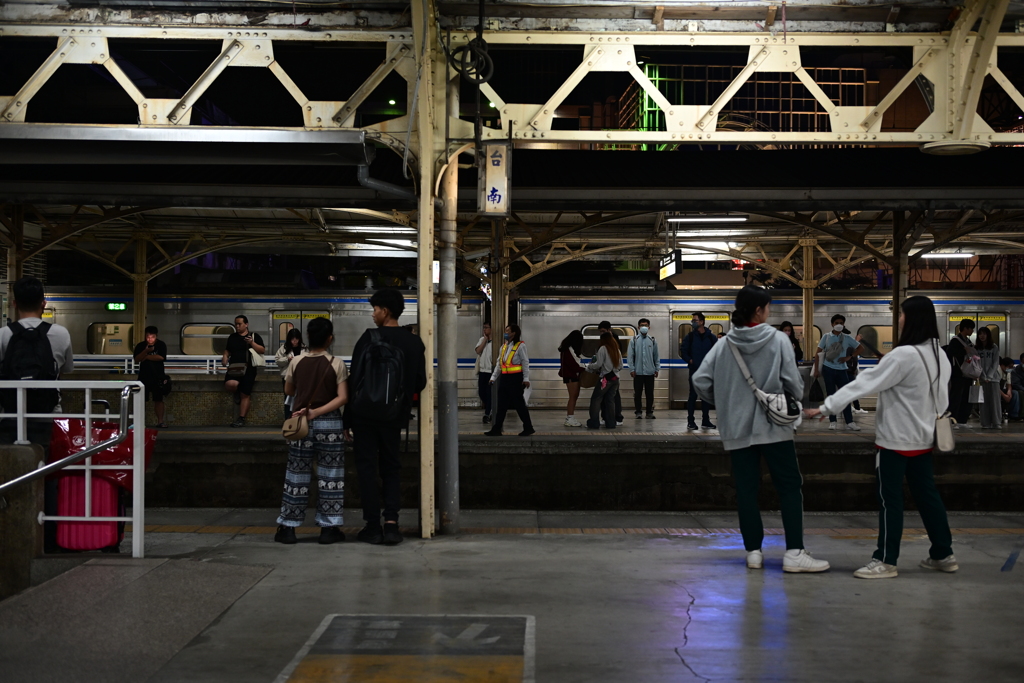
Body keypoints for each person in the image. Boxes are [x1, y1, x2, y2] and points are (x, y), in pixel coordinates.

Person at [805, 295, 956, 579]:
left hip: (895, 442)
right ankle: (943, 553)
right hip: (925, 440)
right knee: (928, 498)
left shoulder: (903, 355)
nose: (898, 319)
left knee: (890, 500)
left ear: (911, 319)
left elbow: (864, 382)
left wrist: (827, 407)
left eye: (901, 315)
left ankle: (885, 560)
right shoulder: (939, 353)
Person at [691, 285, 829, 573]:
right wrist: (787, 401)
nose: (770, 311)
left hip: (737, 429)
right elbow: (794, 383)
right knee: (790, 487)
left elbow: (701, 381)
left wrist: (728, 402)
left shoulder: (724, 344)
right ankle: (794, 553)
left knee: (746, 491)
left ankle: (753, 552)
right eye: (767, 307)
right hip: (775, 428)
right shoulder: (779, 340)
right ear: (758, 310)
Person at [345, 289, 427, 545]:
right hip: (394, 417)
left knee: (367, 469)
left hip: (364, 416)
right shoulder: (414, 342)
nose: (373, 314)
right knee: (392, 468)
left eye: (375, 309)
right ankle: (391, 525)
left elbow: (353, 381)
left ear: (385, 311)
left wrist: (347, 420)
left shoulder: (369, 339)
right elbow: (421, 383)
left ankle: (372, 526)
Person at [274, 317, 348, 545]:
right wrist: (319, 412)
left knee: (296, 476)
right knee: (330, 476)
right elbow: (343, 397)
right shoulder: (336, 363)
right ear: (329, 338)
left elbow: (289, 389)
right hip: (331, 427)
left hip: (301, 425)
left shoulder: (296, 361)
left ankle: (288, 528)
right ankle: (329, 528)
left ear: (307, 338)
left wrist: (308, 408)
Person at [0, 276, 74, 445]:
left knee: (11, 468)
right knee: (47, 465)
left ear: (14, 303)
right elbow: (68, 368)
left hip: (10, 414)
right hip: (48, 415)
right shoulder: (61, 333)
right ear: (44, 303)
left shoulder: (3, 334)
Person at [812, 314, 862, 431]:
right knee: (831, 395)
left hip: (842, 370)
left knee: (845, 396)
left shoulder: (847, 338)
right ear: (832, 324)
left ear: (844, 324)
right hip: (828, 368)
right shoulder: (826, 337)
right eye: (836, 323)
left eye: (841, 323)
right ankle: (832, 421)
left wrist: (849, 357)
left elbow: (861, 348)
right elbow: (817, 353)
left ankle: (849, 421)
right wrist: (816, 370)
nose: (839, 325)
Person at [485, 324, 535, 437]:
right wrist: (493, 377)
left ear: (514, 333)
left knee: (519, 404)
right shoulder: (503, 347)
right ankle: (497, 428)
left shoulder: (520, 346)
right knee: (501, 405)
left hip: (516, 379)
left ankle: (528, 427)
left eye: (508, 331)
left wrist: (526, 378)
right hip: (505, 378)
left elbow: (525, 362)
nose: (505, 333)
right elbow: (499, 364)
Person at [222, 315, 265, 428]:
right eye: (236, 324)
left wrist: (251, 343)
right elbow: (228, 350)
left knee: (245, 394)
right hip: (234, 367)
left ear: (246, 324)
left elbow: (262, 350)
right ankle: (236, 391)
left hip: (249, 368)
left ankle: (241, 418)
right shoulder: (232, 337)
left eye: (240, 324)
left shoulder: (254, 336)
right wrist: (225, 356)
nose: (237, 326)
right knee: (230, 384)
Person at [679, 312, 717, 431]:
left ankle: (705, 420)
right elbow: (683, 351)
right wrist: (689, 360)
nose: (693, 322)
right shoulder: (689, 337)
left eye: (695, 320)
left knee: (706, 397)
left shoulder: (711, 337)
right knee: (693, 396)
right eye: (693, 321)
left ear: (702, 322)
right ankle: (691, 421)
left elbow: (717, 351)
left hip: (707, 372)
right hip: (694, 370)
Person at [133, 325, 168, 428]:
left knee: (158, 399)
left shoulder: (161, 345)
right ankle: (139, 421)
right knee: (141, 399)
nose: (150, 339)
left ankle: (160, 421)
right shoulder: (140, 346)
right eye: (148, 337)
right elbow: (137, 359)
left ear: (156, 336)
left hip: (158, 376)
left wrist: (147, 356)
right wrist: (145, 351)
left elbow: (161, 357)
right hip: (144, 376)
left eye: (152, 337)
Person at [586, 332, 623, 429]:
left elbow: (598, 365)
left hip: (605, 379)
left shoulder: (603, 348)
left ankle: (594, 422)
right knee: (610, 401)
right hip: (615, 379)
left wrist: (589, 366)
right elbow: (621, 366)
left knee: (596, 399)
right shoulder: (617, 350)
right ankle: (611, 423)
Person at [627, 318, 660, 419]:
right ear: (638, 327)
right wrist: (632, 369)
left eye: (645, 325)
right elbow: (630, 355)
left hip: (650, 372)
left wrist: (657, 368)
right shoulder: (634, 340)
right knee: (637, 393)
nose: (644, 327)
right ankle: (638, 412)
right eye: (642, 325)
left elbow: (656, 356)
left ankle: (649, 412)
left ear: (649, 327)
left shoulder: (653, 340)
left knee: (649, 393)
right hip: (638, 372)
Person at [947, 318, 977, 426]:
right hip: (958, 374)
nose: (972, 331)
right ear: (965, 328)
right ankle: (953, 418)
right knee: (956, 397)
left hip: (967, 374)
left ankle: (962, 419)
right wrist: (964, 351)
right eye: (971, 329)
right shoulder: (955, 340)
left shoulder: (968, 341)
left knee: (965, 397)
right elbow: (950, 353)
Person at [597, 321, 624, 424]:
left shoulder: (614, 340)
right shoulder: (604, 341)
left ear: (609, 330)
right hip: (607, 373)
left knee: (614, 397)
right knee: (606, 397)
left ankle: (617, 417)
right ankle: (605, 417)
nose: (602, 333)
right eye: (600, 332)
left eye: (603, 331)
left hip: (611, 373)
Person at [275, 329, 305, 420]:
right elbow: (277, 360)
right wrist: (287, 359)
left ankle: (299, 419)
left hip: (301, 378)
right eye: (292, 339)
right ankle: (288, 419)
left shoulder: (304, 348)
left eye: (297, 339)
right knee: (288, 399)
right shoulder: (284, 348)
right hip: (288, 377)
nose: (295, 341)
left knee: (301, 398)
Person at [558, 330, 585, 427]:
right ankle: (570, 418)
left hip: (571, 375)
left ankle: (570, 417)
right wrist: (584, 369)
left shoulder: (567, 349)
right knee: (573, 397)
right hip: (571, 376)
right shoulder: (568, 350)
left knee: (574, 397)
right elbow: (572, 365)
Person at [976, 327, 1001, 428]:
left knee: (995, 401)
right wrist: (983, 376)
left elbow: (995, 362)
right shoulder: (976, 348)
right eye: (980, 334)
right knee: (984, 402)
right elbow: (976, 364)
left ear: (988, 335)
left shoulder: (994, 347)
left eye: (984, 334)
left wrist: (989, 376)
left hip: (994, 378)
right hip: (982, 378)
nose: (982, 336)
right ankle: (985, 423)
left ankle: (997, 422)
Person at [843, 327, 867, 415]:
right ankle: (856, 408)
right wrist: (853, 370)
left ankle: (850, 407)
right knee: (853, 390)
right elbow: (854, 359)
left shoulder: (838, 345)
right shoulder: (850, 346)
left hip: (842, 370)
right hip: (849, 371)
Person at [474, 322, 493, 424]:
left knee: (489, 393)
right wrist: (485, 340)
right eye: (484, 328)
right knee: (482, 393)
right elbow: (478, 351)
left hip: (491, 371)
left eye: (486, 328)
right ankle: (492, 408)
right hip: (482, 371)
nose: (484, 330)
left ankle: (487, 414)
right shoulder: (482, 340)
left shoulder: (496, 342)